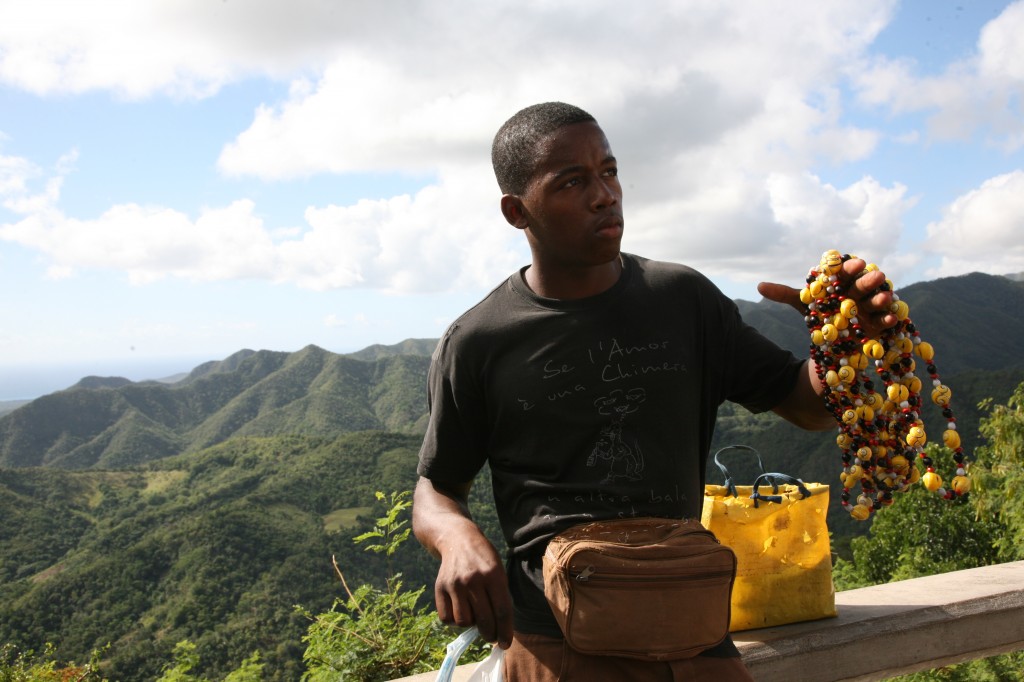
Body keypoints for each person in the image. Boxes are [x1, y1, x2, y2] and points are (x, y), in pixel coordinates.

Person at [412, 102, 895, 681]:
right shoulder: (479, 341)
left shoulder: (683, 300)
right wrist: (457, 537)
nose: (603, 195)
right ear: (517, 212)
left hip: (693, 638)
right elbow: (436, 491)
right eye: (572, 181)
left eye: (608, 172)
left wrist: (840, 347)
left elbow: (806, 406)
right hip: (554, 646)